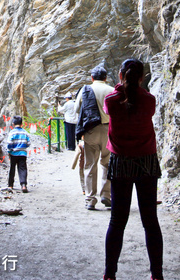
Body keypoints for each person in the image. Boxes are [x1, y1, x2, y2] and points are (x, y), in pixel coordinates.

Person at [102, 58, 164, 280]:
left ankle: (110, 274)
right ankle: (157, 274)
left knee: (117, 221)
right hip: (146, 161)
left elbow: (113, 103)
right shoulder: (150, 100)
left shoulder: (111, 100)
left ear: (120, 76)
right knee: (150, 221)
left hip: (121, 162)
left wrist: (121, 86)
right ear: (141, 78)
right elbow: (140, 100)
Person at [74, 63, 114, 210]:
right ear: (106, 78)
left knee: (90, 165)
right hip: (109, 131)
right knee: (107, 163)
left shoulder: (86, 90)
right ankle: (106, 195)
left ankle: (90, 199)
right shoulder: (111, 90)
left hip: (90, 131)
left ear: (92, 77)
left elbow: (77, 109)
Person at [6, 115, 31, 193]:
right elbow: (29, 143)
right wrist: (23, 147)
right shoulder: (25, 132)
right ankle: (23, 185)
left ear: (13, 124)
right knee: (22, 169)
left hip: (13, 153)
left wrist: (10, 150)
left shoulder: (12, 132)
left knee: (12, 168)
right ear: (21, 124)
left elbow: (9, 143)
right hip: (23, 154)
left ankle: (10, 185)